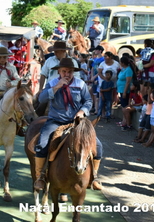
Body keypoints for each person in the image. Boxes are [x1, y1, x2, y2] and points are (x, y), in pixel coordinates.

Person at [34, 58, 103, 191]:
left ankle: (94, 177)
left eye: (70, 71)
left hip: (77, 123)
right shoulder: (52, 83)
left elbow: (88, 101)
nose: (67, 74)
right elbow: (41, 98)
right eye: (64, 71)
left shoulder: (80, 84)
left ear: (74, 72)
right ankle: (40, 176)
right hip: (56, 121)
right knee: (42, 143)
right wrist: (56, 88)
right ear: (59, 71)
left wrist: (83, 111)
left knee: (98, 146)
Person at [36, 41, 80, 116]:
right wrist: (40, 89)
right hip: (51, 89)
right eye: (54, 51)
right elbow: (43, 74)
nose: (55, 53)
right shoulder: (49, 60)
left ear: (63, 51)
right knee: (38, 107)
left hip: (67, 91)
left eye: (57, 51)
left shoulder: (73, 62)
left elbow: (77, 79)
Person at [90, 45, 105, 114]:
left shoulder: (103, 59)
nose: (95, 51)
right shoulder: (95, 59)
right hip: (94, 78)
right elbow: (93, 68)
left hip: (98, 78)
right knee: (94, 94)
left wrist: (95, 77)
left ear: (100, 51)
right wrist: (92, 76)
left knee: (98, 95)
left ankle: (98, 110)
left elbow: (100, 71)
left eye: (96, 50)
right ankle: (95, 109)